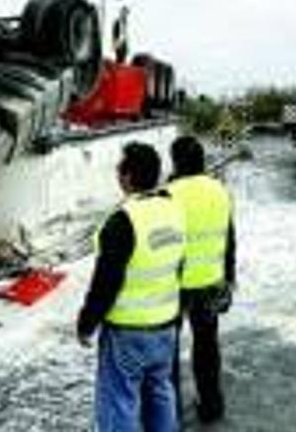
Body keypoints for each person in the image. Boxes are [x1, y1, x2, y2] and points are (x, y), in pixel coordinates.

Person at [78, 142, 185, 432]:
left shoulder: (123, 221)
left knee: (119, 403)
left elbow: (105, 283)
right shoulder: (173, 209)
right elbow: (179, 265)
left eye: (119, 168)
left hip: (127, 332)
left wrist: (87, 323)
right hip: (165, 326)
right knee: (161, 394)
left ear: (127, 177)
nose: (116, 174)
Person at [166, 135, 236, 425]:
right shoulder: (220, 190)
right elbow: (230, 238)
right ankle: (211, 405)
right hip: (210, 282)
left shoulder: (169, 193)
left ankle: (169, 412)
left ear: (176, 161)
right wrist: (229, 278)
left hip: (175, 285)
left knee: (168, 350)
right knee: (207, 346)